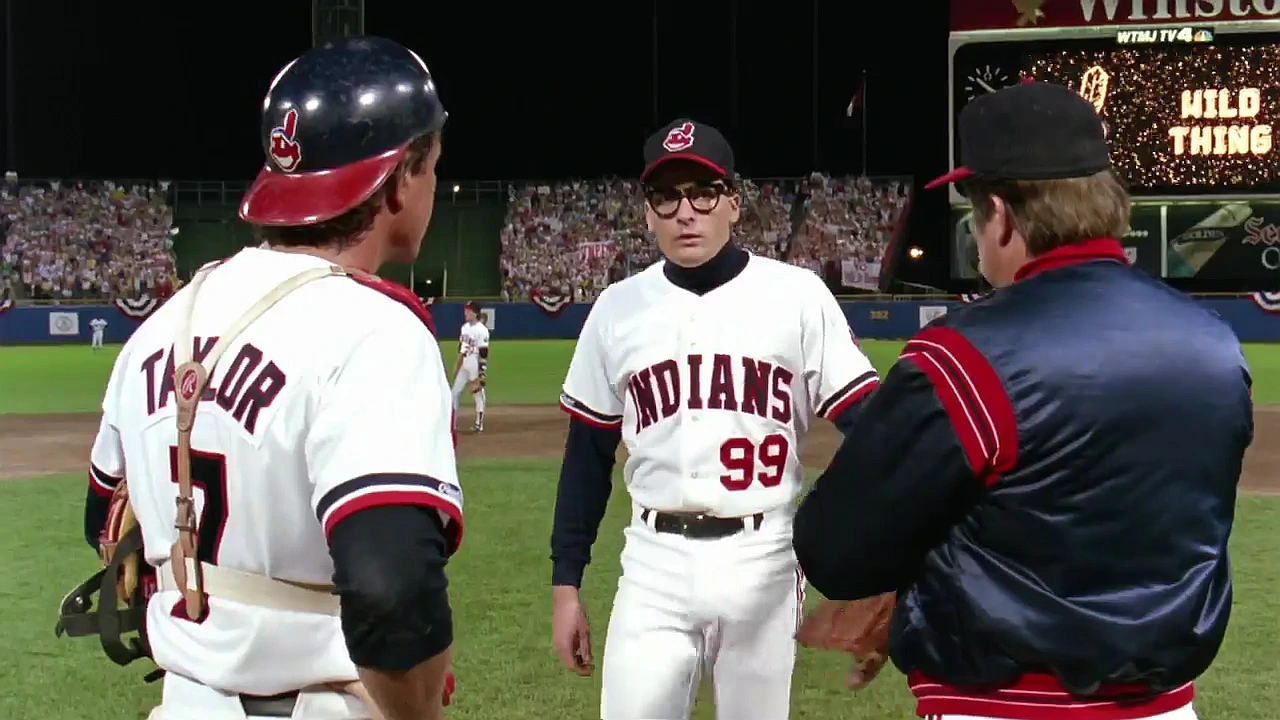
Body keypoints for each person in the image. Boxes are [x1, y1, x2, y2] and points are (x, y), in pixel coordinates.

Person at [792, 81, 1252, 720]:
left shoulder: (963, 355)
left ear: (1002, 216)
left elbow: (835, 550)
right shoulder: (1215, 344)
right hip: (1166, 706)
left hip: (1002, 703)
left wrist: (909, 579)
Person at [68, 36, 462, 720]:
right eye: (431, 166)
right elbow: (391, 590)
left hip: (184, 702)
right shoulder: (374, 328)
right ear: (401, 177)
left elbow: (104, 521)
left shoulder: (162, 325)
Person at [549, 118, 880, 720]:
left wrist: (872, 562)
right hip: (652, 562)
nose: (685, 212)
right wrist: (565, 584)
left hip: (765, 558)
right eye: (666, 196)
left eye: (703, 193)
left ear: (734, 203)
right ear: (647, 212)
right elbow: (587, 458)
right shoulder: (616, 309)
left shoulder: (797, 296)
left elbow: (876, 433)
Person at [451, 301, 490, 433]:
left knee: (477, 393)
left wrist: (482, 373)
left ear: (475, 313)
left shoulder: (482, 330)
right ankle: (452, 423)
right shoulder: (464, 328)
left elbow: (483, 353)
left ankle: (479, 424)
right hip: (465, 363)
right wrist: (457, 366)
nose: (465, 313)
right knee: (455, 393)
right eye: (465, 311)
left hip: (474, 363)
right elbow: (461, 348)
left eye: (468, 311)